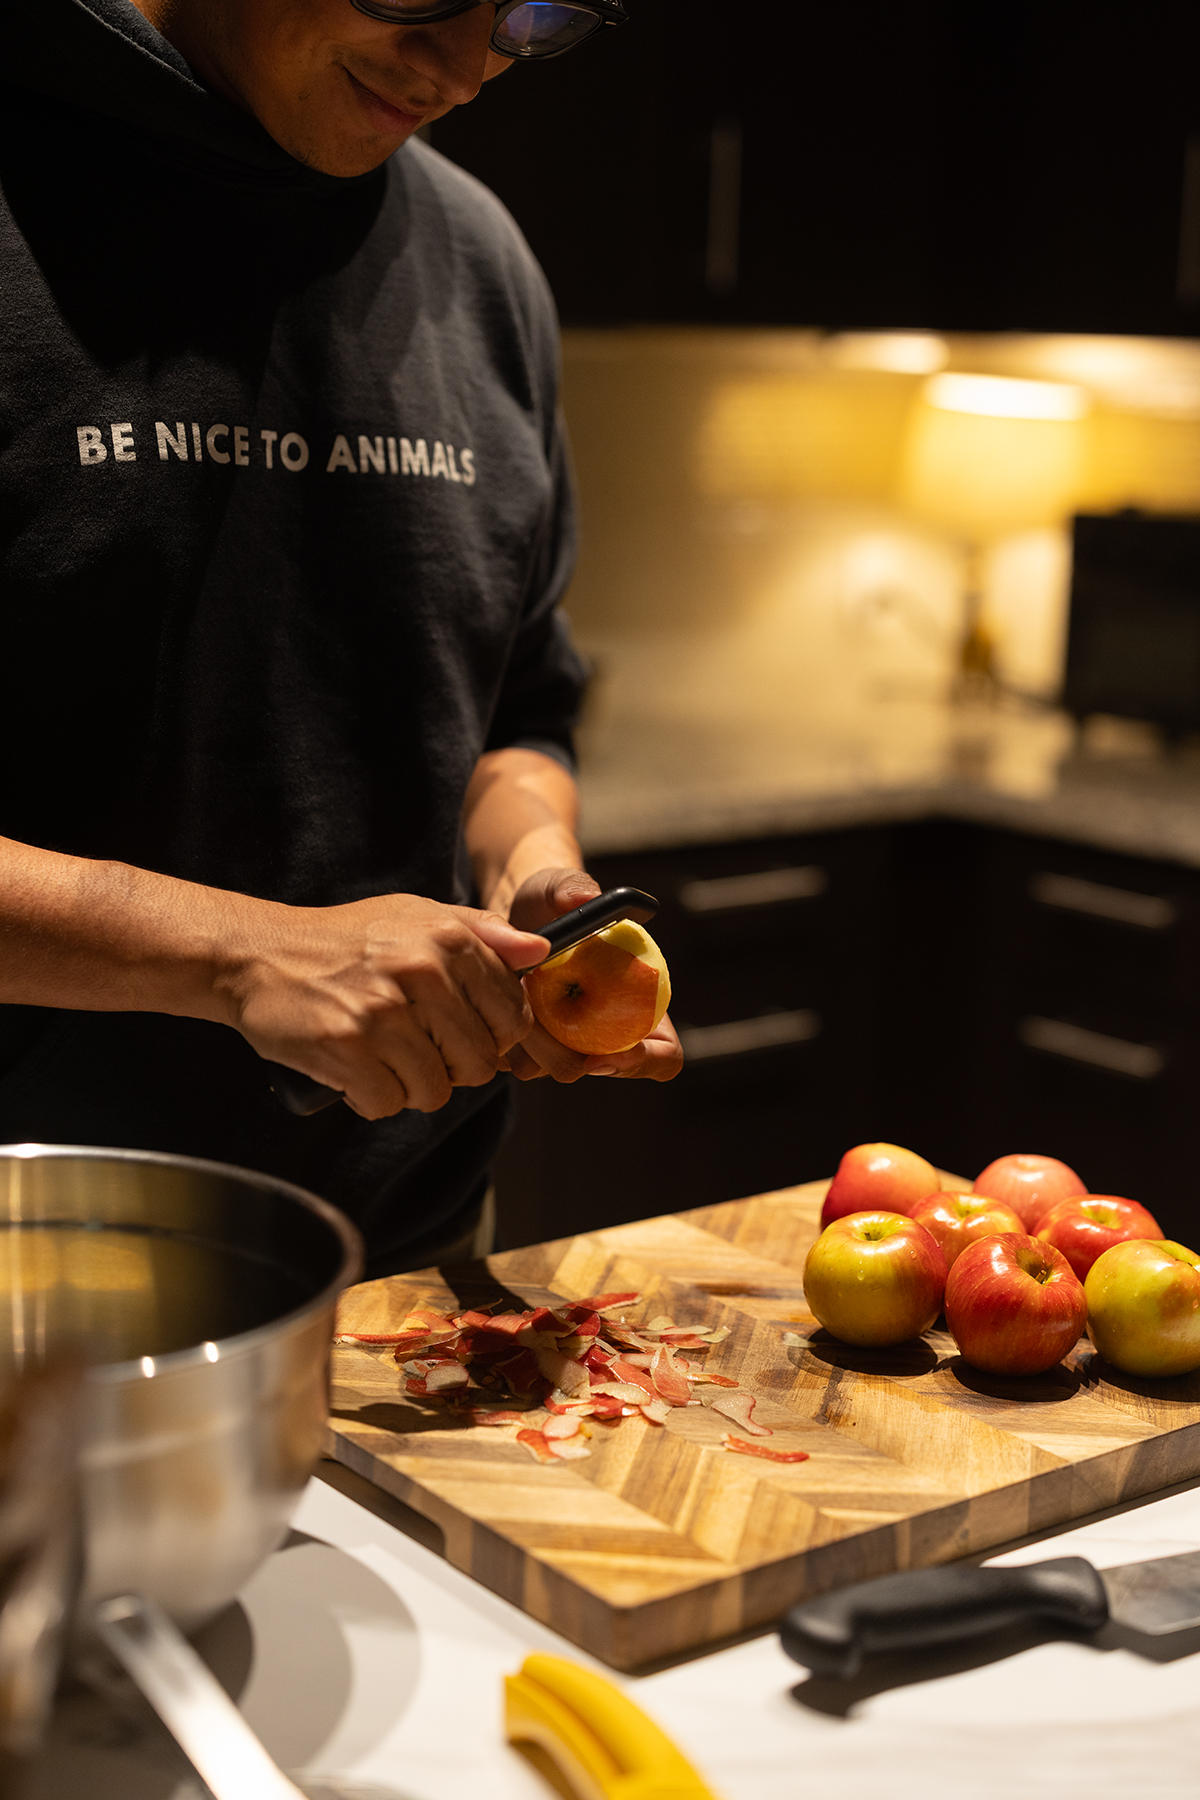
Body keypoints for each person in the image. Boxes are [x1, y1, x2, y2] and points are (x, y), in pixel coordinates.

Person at [0, 0, 682, 1277]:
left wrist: (533, 862)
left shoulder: (481, 260)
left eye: (533, 15)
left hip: (404, 1275)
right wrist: (240, 955)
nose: (465, 69)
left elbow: (511, 713)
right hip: (33, 1278)